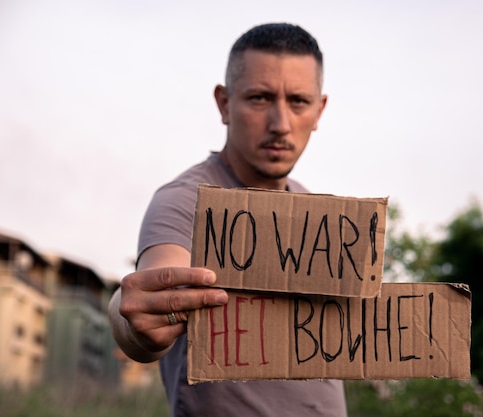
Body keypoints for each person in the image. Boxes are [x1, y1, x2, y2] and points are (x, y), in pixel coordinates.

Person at [108, 23, 347, 417]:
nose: (281, 123)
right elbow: (150, 292)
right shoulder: (186, 200)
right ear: (224, 103)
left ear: (319, 111)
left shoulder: (319, 212)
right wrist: (131, 319)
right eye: (259, 98)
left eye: (299, 102)